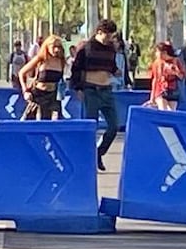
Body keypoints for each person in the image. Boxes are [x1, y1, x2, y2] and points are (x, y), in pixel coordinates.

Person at [70, 19, 122, 171]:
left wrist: (116, 71)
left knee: (114, 126)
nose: (110, 39)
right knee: (91, 125)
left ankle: (99, 153)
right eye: (107, 35)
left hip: (106, 90)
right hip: (91, 90)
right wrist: (78, 88)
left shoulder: (111, 49)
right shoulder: (86, 48)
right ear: (99, 32)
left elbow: (111, 66)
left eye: (112, 35)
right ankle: (86, 157)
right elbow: (76, 69)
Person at [18, 35, 66, 121]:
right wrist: (25, 91)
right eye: (54, 47)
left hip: (53, 97)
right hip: (38, 95)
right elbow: (22, 73)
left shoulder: (61, 61)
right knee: (32, 121)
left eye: (58, 47)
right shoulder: (40, 59)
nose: (56, 50)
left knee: (54, 122)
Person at [148, 41, 184, 111]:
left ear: (164, 52)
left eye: (157, 52)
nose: (156, 54)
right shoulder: (157, 63)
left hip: (173, 90)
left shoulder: (176, 61)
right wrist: (152, 97)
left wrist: (175, 71)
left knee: (172, 112)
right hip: (161, 90)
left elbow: (182, 76)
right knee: (163, 110)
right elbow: (155, 79)